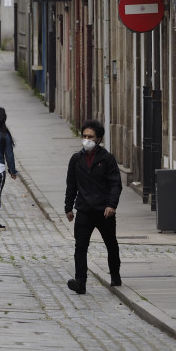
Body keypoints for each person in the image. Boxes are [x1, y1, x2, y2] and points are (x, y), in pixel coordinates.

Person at [64, 119, 123, 295]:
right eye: (84, 136)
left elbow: (115, 184)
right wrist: (68, 207)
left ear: (98, 139)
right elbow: (71, 184)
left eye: (90, 137)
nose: (86, 139)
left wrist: (112, 205)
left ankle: (115, 274)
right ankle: (80, 282)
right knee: (80, 247)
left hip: (103, 211)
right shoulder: (76, 159)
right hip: (83, 210)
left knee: (111, 244)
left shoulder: (107, 159)